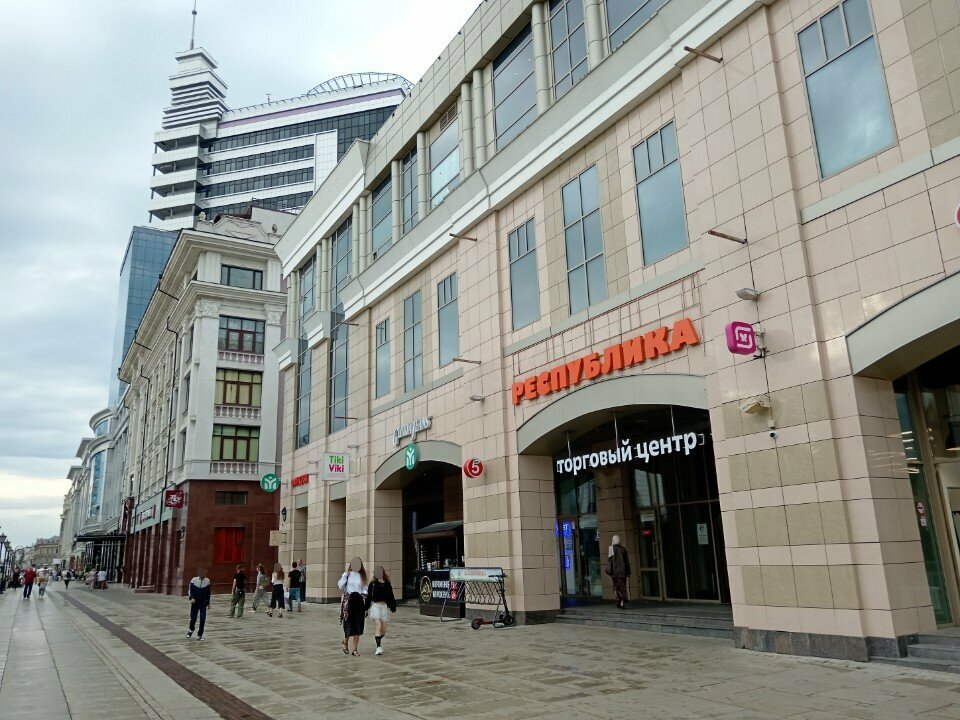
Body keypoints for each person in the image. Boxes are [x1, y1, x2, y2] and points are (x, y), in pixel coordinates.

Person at [338, 557, 368, 656]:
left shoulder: (362, 575)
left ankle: (355, 649)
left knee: (358, 625)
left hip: (359, 601)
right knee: (348, 623)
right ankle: (345, 642)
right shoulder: (347, 574)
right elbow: (341, 586)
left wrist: (363, 594)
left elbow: (365, 588)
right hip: (349, 601)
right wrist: (345, 574)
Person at [365, 566, 397, 656]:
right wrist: (366, 608)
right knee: (378, 626)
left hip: (384, 607)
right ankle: (378, 647)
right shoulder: (373, 584)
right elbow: (368, 597)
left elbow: (391, 596)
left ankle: (377, 637)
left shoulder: (387, 584)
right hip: (375, 606)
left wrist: (393, 608)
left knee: (383, 631)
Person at [605, 535, 631, 610]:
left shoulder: (611, 548)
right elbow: (626, 562)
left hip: (614, 572)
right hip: (623, 572)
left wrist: (609, 570)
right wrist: (628, 571)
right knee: (622, 586)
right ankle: (622, 602)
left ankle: (620, 598)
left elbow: (610, 561)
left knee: (616, 587)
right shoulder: (623, 549)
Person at [186, 568, 211, 640]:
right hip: (195, 603)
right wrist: (191, 598)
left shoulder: (207, 581)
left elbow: (208, 593)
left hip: (203, 603)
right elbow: (190, 590)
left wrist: (208, 603)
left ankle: (200, 635)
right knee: (193, 619)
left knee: (202, 620)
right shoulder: (194, 580)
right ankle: (191, 630)